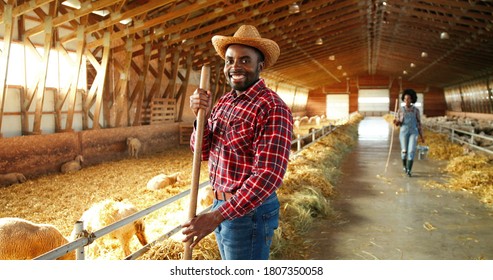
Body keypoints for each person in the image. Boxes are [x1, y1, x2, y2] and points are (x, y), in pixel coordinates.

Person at [182, 25, 293, 260]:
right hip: (220, 206)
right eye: (230, 60)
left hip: (249, 213)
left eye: (245, 60)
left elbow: (268, 176)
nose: (235, 67)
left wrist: (217, 216)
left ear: (260, 66)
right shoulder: (224, 102)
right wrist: (199, 115)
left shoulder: (272, 108)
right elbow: (200, 151)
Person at [393, 88, 425, 177]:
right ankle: (404, 166)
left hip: (413, 132)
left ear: (412, 100)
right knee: (404, 151)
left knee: (411, 151)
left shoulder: (416, 110)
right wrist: (396, 122)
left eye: (409, 99)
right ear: (403, 99)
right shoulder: (401, 110)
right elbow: (399, 122)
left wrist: (422, 136)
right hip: (403, 132)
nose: (407, 100)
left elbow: (419, 123)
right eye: (405, 99)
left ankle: (409, 170)